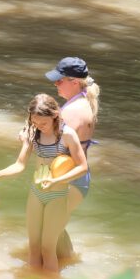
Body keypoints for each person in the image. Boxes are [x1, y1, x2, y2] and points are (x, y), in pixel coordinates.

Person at [0, 94, 88, 273]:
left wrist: (56, 180)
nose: (39, 127)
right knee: (33, 247)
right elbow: (19, 165)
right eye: (35, 122)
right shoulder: (32, 133)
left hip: (57, 195)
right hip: (36, 193)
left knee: (48, 249)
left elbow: (82, 167)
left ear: (55, 116)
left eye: (43, 124)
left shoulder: (68, 135)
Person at [45, 56, 100, 215]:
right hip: (74, 178)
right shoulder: (81, 102)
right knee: (56, 230)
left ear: (74, 82)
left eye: (59, 81)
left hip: (69, 179)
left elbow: (52, 145)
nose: (55, 84)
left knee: (50, 231)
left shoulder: (72, 111)